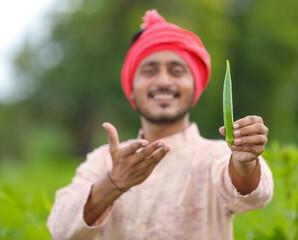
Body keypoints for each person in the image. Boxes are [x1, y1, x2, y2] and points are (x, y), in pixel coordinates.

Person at [47, 9, 273, 240]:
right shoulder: (103, 160)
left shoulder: (216, 155)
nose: (163, 81)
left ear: (194, 87)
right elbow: (60, 228)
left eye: (176, 71)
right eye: (149, 71)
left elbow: (257, 196)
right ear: (132, 88)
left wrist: (245, 163)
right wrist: (113, 182)